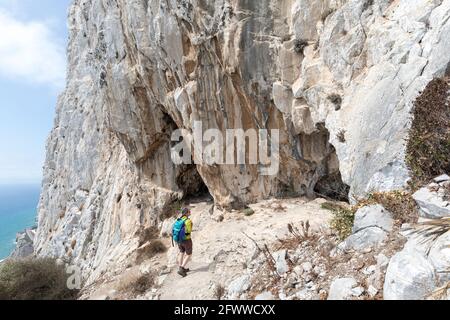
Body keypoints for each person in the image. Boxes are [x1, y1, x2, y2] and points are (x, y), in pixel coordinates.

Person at [174, 207, 193, 277]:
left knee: (182, 252)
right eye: (189, 211)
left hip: (179, 240)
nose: (190, 212)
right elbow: (188, 231)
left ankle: (180, 266)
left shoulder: (179, 220)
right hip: (186, 240)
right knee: (189, 254)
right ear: (186, 213)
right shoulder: (188, 221)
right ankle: (181, 269)